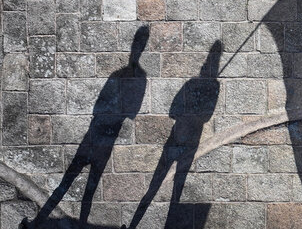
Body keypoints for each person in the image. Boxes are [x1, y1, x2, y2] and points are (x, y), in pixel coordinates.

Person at [22, 26, 150, 228]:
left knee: (81, 186)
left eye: (139, 44)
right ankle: (39, 223)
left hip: (102, 136)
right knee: (70, 183)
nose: (137, 47)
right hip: (98, 135)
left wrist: (112, 106)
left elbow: (119, 110)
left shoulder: (136, 79)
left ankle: (46, 224)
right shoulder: (127, 77)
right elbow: (106, 107)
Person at [127, 41, 222, 229]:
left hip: (184, 140)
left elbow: (196, 114)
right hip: (181, 139)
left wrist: (189, 110)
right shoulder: (202, 85)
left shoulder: (209, 86)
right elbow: (179, 111)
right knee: (165, 187)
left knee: (167, 188)